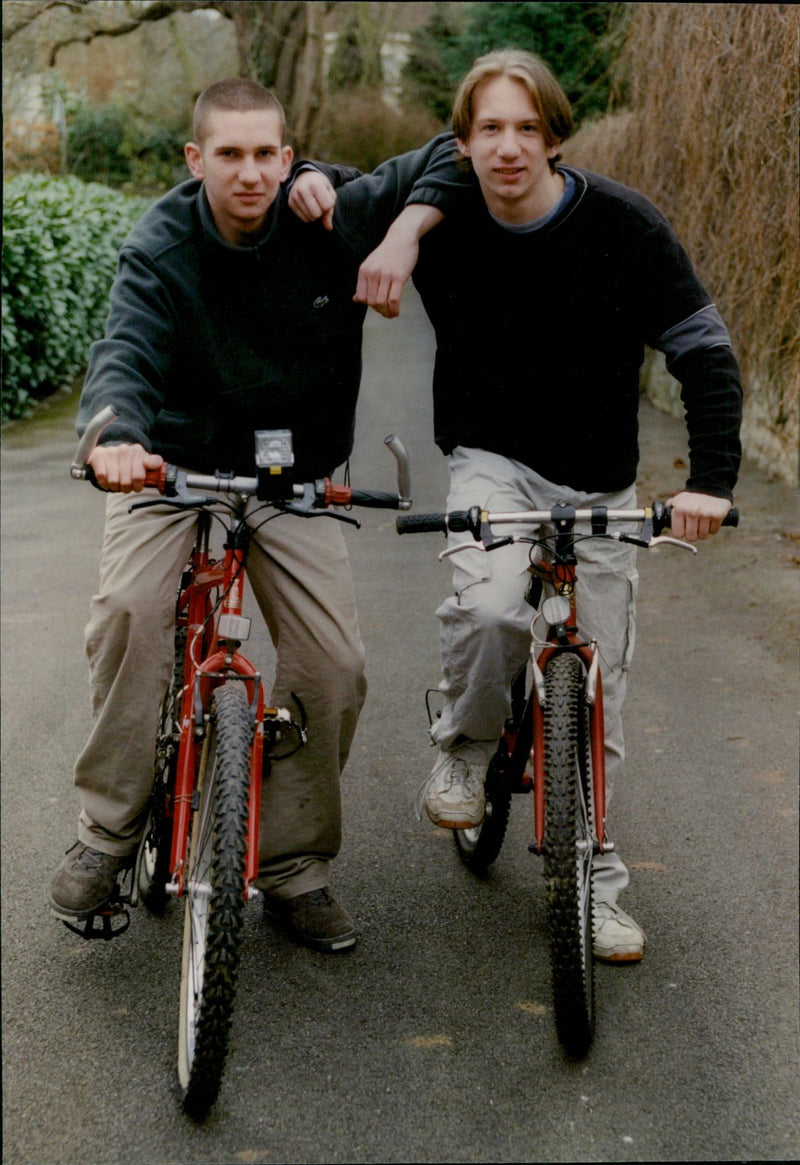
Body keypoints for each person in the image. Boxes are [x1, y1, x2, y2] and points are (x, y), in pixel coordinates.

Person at [294, 50, 742, 962]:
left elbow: (703, 348)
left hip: (599, 481)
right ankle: (464, 744)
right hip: (492, 462)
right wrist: (309, 177)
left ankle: (597, 889)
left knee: (601, 693)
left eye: (527, 128)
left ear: (555, 138)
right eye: (489, 128)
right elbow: (337, 192)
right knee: (495, 607)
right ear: (460, 143)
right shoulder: (447, 211)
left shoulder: (622, 224)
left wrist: (711, 482)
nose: (509, 147)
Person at [48, 78, 465, 953]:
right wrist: (117, 437)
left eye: (265, 153)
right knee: (127, 611)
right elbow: (126, 348)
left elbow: (456, 150)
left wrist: (391, 228)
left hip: (292, 476)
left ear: (286, 156)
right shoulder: (162, 242)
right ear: (195, 159)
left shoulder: (328, 214)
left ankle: (293, 863)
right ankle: (109, 831)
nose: (248, 172)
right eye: (228, 154)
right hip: (171, 465)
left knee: (335, 664)